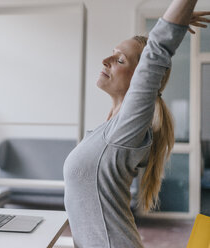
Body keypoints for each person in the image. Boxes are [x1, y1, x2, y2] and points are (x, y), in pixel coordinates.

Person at [63, 0, 210, 247]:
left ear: (140, 81)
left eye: (120, 60)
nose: (106, 60)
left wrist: (173, 22)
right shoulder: (110, 129)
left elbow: (157, 50)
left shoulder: (126, 129)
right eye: (112, 52)